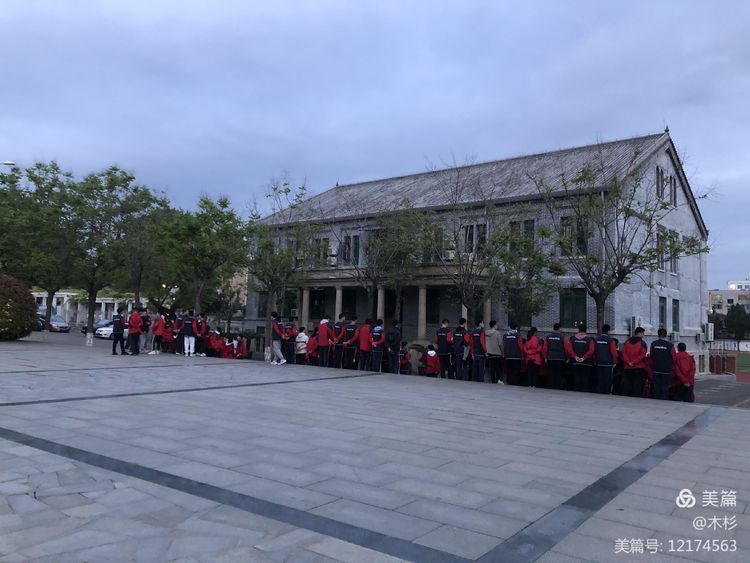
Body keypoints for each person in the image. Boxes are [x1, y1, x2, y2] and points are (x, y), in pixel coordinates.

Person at [650, 328, 677, 400]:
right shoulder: (670, 345)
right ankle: (663, 400)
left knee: (656, 385)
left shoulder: (653, 344)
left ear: (658, 334)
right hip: (666, 370)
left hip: (656, 368)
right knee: (665, 386)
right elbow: (674, 357)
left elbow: (651, 355)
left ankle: (656, 399)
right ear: (666, 335)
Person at [621, 327, 648, 397]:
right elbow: (643, 354)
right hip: (639, 367)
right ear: (639, 333)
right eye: (642, 333)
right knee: (637, 385)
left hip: (627, 367)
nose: (643, 334)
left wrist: (628, 362)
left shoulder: (626, 342)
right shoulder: (642, 343)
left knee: (627, 383)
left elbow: (623, 353)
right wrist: (634, 362)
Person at [568, 323, 595, 392]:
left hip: (575, 362)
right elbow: (591, 350)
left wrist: (575, 357)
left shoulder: (573, 339)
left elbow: (570, 350)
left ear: (578, 330)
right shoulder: (589, 339)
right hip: (586, 363)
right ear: (586, 330)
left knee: (576, 377)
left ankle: (576, 392)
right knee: (585, 378)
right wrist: (584, 358)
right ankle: (584, 392)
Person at [542, 323, 568, 390]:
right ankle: (558, 388)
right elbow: (566, 348)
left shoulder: (548, 337)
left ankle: (551, 387)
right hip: (560, 358)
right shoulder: (563, 337)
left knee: (551, 374)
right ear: (559, 328)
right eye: (561, 328)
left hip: (550, 358)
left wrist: (545, 357)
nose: (562, 329)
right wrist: (567, 357)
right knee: (559, 374)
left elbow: (545, 348)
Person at [594, 324, 618, 394]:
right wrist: (615, 362)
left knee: (599, 378)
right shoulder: (610, 340)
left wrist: (595, 360)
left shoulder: (596, 339)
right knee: (608, 378)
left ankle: (600, 391)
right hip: (608, 363)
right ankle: (606, 392)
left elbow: (594, 351)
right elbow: (613, 352)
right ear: (608, 331)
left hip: (598, 361)